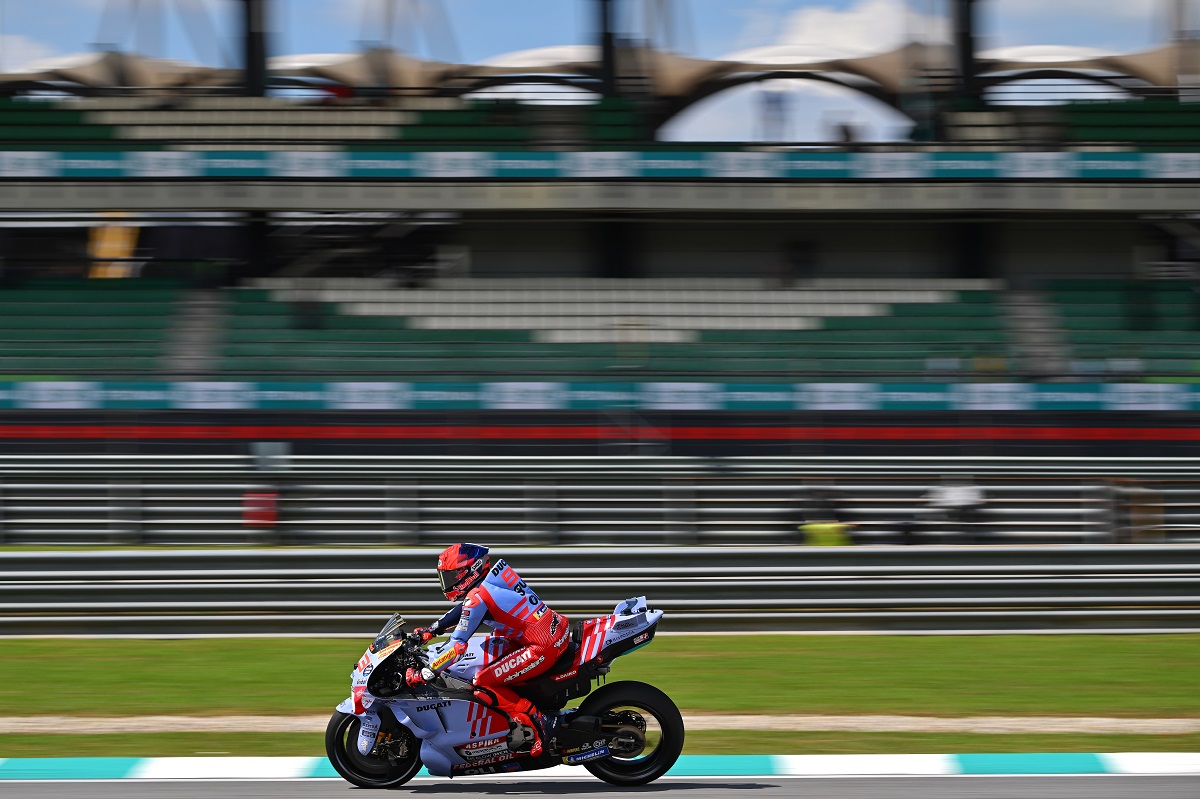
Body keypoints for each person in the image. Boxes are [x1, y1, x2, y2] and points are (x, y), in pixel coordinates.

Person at [404, 543, 570, 758]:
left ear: (470, 571)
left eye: (453, 575)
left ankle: (542, 722)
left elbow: (457, 646)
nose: (448, 582)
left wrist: (426, 673)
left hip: (542, 646)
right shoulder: (493, 578)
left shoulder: (478, 597)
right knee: (492, 651)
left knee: (483, 681)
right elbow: (465, 609)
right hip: (554, 629)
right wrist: (433, 629)